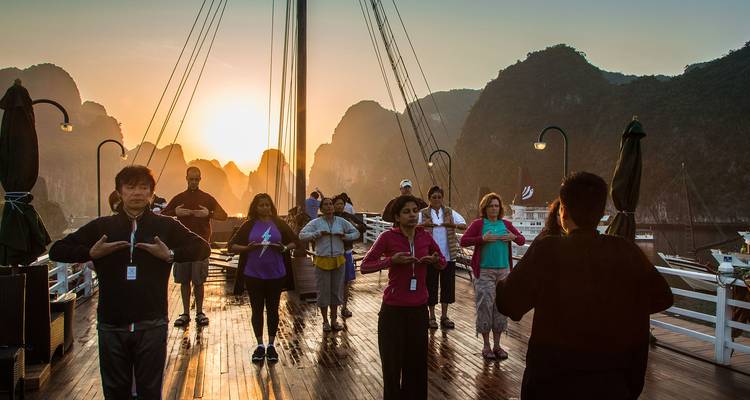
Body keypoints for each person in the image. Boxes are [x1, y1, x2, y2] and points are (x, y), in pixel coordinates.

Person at [496, 172, 674, 399]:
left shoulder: (548, 250)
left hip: (552, 383)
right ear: (601, 213)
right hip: (614, 383)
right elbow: (663, 297)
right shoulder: (625, 251)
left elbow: (508, 303)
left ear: (563, 212)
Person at [49, 165, 210, 399]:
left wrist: (171, 255)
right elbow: (57, 250)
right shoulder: (103, 227)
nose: (137, 193)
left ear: (151, 195)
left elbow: (201, 247)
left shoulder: (164, 226)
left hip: (152, 323)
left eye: (143, 187)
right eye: (130, 187)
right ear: (120, 192)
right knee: (115, 391)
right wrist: (91, 253)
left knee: (150, 391)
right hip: (112, 325)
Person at [361, 195, 446, 400]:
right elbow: (365, 266)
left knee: (416, 365)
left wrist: (433, 260)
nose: (412, 215)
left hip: (418, 310)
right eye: (406, 212)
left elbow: (442, 261)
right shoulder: (388, 238)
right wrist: (391, 261)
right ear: (397, 217)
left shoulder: (424, 236)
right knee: (392, 366)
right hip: (393, 311)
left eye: (415, 211)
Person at [227, 193, 298, 363]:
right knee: (257, 310)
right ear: (255, 207)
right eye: (261, 205)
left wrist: (284, 248)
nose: (265, 208)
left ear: (271, 206)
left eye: (267, 205)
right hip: (253, 274)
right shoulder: (248, 225)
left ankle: (271, 345)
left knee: (273, 309)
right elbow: (232, 246)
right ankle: (260, 345)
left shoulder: (279, 224)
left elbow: (295, 241)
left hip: (276, 273)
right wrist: (247, 248)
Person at [459, 192, 525, 360]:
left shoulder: (506, 224)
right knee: (485, 305)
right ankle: (486, 345)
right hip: (484, 271)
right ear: (485, 208)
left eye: (496, 206)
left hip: (504, 272)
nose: (494, 208)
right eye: (491, 206)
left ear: (500, 208)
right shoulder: (478, 224)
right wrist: (482, 239)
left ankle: (497, 345)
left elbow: (522, 240)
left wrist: (513, 237)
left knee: (500, 308)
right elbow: (464, 241)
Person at [162, 166, 228, 327]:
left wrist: (208, 214)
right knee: (184, 281)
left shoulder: (207, 198)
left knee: (199, 281)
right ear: (186, 178)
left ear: (200, 179)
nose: (193, 182)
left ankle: (199, 312)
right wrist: (175, 212)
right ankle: (185, 313)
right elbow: (162, 215)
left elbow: (223, 216)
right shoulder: (179, 198)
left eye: (196, 179)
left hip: (201, 246)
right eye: (191, 179)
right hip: (182, 246)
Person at [299, 197, 360, 331]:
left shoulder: (341, 222)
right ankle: (325, 321)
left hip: (338, 260)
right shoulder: (316, 223)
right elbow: (302, 235)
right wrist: (317, 234)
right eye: (325, 205)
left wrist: (345, 236)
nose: (329, 207)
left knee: (335, 292)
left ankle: (334, 320)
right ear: (321, 209)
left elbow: (356, 232)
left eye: (330, 204)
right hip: (322, 260)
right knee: (323, 292)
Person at [417, 186, 466, 329]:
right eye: (434, 197)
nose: (437, 199)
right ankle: (431, 316)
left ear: (442, 198)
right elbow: (412, 226)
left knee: (447, 286)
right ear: (429, 199)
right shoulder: (423, 213)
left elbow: (464, 225)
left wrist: (452, 225)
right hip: (431, 255)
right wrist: (423, 225)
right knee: (430, 285)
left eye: (439, 197)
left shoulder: (449, 212)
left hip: (448, 255)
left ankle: (444, 316)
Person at [333, 195, 367, 318]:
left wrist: (354, 226)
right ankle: (334, 310)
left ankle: (345, 307)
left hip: (346, 252)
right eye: (337, 204)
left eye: (341, 204)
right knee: (334, 282)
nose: (339, 206)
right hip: (333, 253)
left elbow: (363, 227)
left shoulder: (348, 217)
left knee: (346, 282)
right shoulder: (328, 219)